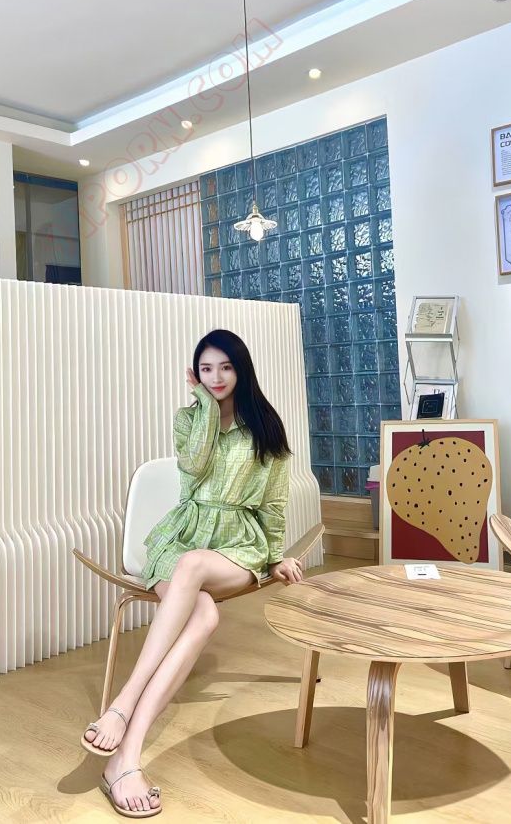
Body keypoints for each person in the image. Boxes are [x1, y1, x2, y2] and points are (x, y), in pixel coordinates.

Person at [81, 329, 302, 818]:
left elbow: (273, 503)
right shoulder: (189, 419)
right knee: (203, 615)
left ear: (241, 369)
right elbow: (195, 466)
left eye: (225, 367)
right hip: (183, 536)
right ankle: (125, 760)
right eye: (206, 369)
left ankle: (122, 703)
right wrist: (203, 406)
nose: (216, 377)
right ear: (196, 374)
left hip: (236, 546)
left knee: (195, 564)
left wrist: (275, 556)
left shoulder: (266, 426)